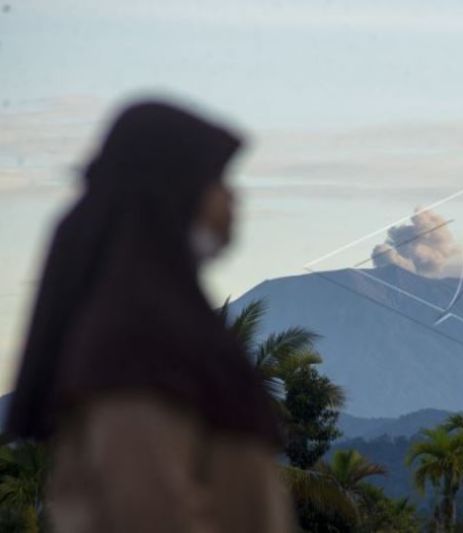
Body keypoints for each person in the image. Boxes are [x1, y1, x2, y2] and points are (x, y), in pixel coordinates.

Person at [5, 100, 294, 532]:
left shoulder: (157, 330)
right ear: (175, 191)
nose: (233, 195)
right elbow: (148, 509)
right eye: (217, 178)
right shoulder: (141, 344)